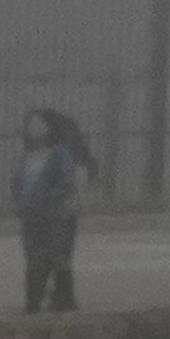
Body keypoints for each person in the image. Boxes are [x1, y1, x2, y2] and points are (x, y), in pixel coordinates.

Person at [16, 105, 101, 311]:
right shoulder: (45, 154)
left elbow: (64, 184)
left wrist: (41, 201)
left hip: (56, 212)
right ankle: (55, 299)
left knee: (51, 257)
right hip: (46, 213)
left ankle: (46, 301)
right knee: (51, 257)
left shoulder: (59, 155)